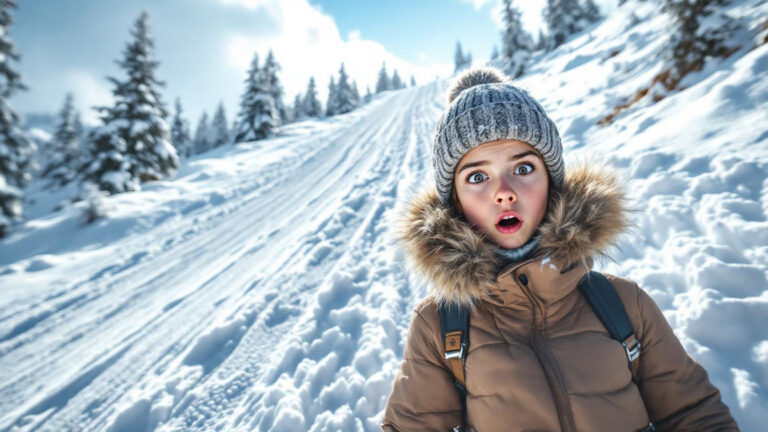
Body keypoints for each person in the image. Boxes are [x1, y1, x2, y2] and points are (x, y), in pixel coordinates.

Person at [381, 67, 738, 432]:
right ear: (454, 202)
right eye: (477, 176)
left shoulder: (623, 304)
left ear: (553, 184)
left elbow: (694, 412)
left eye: (523, 167)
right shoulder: (441, 327)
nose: (504, 191)